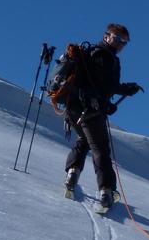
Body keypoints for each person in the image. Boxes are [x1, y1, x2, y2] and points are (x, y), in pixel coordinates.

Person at [61, 23, 143, 209]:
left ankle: (72, 174)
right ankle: (106, 191)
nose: (121, 44)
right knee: (100, 148)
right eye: (117, 39)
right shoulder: (106, 57)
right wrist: (124, 90)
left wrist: (114, 97)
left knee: (84, 139)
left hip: (73, 107)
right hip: (90, 108)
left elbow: (99, 85)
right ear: (107, 36)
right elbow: (105, 86)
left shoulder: (91, 53)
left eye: (125, 42)